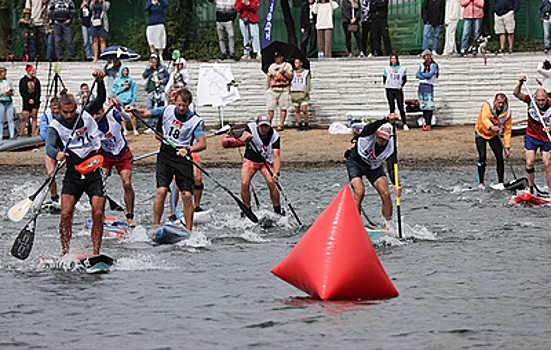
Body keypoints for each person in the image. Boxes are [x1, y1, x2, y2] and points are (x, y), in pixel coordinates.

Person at [45, 70, 106, 256]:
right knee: (65, 214)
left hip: (94, 171)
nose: (70, 115)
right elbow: (49, 148)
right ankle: (65, 252)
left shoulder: (85, 113)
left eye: (72, 111)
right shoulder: (55, 126)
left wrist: (100, 81)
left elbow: (101, 98)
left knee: (97, 214)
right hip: (73, 173)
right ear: (59, 110)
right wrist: (58, 154)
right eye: (66, 112)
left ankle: (96, 253)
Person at [125, 88, 206, 230]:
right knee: (161, 191)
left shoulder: (194, 120)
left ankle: (189, 229)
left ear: (189, 105)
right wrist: (134, 110)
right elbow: (146, 113)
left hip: (183, 157)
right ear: (175, 102)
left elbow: (202, 143)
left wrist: (188, 149)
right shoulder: (167, 110)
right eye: (179, 104)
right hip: (165, 155)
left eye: (184, 106)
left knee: (187, 195)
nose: (181, 108)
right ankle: (156, 226)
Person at [345, 113, 401, 222]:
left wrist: (396, 185)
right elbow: (369, 127)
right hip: (356, 163)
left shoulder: (391, 146)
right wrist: (386, 119)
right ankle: (354, 222)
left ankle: (388, 224)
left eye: (384, 139)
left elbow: (391, 166)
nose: (381, 141)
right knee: (359, 191)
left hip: (374, 167)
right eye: (379, 138)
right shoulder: (368, 134)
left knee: (386, 194)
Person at [94, 98, 137, 226]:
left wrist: (119, 108)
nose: (96, 117)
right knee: (100, 182)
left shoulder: (112, 114)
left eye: (98, 113)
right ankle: (101, 215)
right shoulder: (91, 123)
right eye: (94, 114)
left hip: (122, 152)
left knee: (127, 183)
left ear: (103, 111)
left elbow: (127, 118)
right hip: (105, 155)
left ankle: (130, 217)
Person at [513, 76, 551, 195]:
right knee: (530, 162)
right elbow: (516, 93)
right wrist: (519, 83)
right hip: (532, 136)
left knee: (547, 163)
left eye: (542, 100)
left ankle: (550, 191)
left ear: (546, 99)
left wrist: (550, 128)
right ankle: (530, 188)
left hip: (545, 138)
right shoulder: (531, 100)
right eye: (538, 100)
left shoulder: (550, 106)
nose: (540, 103)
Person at [239, 113, 282, 215]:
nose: (264, 129)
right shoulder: (250, 128)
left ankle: (277, 210)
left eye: (266, 126)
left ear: (270, 125)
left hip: (265, 162)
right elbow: (242, 138)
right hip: (250, 161)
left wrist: (276, 172)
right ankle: (247, 210)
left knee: (271, 182)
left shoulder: (275, 136)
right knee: (245, 183)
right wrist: (246, 137)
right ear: (257, 124)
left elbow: (276, 156)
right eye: (262, 126)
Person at [474, 93, 512, 188]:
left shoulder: (507, 112)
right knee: (482, 156)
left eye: (502, 103)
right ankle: (481, 182)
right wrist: (491, 126)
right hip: (481, 132)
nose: (500, 105)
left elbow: (507, 130)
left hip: (494, 135)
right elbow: (484, 119)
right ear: (495, 101)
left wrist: (507, 147)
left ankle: (500, 182)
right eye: (499, 103)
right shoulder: (487, 106)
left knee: (500, 156)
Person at [38, 96, 61, 202]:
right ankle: (54, 197)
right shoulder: (46, 116)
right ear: (50, 107)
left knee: (73, 172)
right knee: (50, 173)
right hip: (51, 146)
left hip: (64, 147)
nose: (56, 112)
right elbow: (43, 132)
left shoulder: (66, 114)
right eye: (53, 109)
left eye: (57, 109)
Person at [266, 51, 293, 131]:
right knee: (270, 108)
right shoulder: (272, 66)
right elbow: (269, 76)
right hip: (273, 89)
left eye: (278, 57)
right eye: (275, 57)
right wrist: (267, 87)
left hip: (284, 89)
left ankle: (281, 124)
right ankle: (269, 124)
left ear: (282, 57)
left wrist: (283, 72)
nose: (276, 59)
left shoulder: (287, 65)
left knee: (283, 108)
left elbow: (291, 76)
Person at [142, 52, 170, 130]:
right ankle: (151, 126)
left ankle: (159, 125)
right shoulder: (149, 68)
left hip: (160, 90)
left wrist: (161, 81)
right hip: (151, 90)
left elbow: (168, 78)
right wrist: (149, 69)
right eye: (152, 59)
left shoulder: (163, 68)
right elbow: (144, 76)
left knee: (160, 107)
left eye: (155, 59)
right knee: (149, 107)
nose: (153, 61)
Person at [416, 49, 438, 130]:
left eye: (425, 56)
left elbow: (430, 75)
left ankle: (428, 123)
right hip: (422, 85)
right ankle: (425, 123)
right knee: (423, 105)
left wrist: (422, 74)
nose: (424, 58)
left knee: (429, 105)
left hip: (428, 85)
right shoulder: (422, 65)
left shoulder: (433, 65)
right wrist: (423, 75)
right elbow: (417, 75)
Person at [383, 54, 407, 130]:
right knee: (392, 107)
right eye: (392, 59)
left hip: (398, 89)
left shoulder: (402, 68)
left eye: (394, 59)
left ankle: (404, 123)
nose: (393, 60)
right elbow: (384, 78)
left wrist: (401, 85)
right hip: (390, 89)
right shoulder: (387, 68)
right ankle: (393, 124)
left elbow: (404, 79)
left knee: (401, 107)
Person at [113, 65, 138, 135]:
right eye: (124, 70)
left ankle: (135, 129)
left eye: (126, 70)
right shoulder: (117, 80)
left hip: (129, 100)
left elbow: (134, 90)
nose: (125, 72)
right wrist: (123, 88)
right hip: (120, 100)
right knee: (122, 115)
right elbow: (115, 90)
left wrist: (134, 99)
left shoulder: (130, 80)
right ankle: (125, 129)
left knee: (132, 115)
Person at [19, 65, 41, 137]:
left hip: (35, 102)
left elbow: (38, 92)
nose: (34, 72)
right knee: (24, 118)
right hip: (26, 102)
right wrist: (28, 99)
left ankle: (33, 133)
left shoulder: (36, 80)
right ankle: (21, 133)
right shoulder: (23, 80)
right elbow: (22, 92)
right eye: (32, 71)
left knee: (34, 117)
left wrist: (34, 100)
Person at [290, 58, 311, 131]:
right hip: (295, 93)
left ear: (301, 63)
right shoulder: (293, 72)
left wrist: (306, 92)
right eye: (295, 63)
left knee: (304, 110)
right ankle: (299, 124)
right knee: (297, 110)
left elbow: (308, 83)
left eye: (297, 62)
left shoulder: (306, 72)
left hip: (302, 93)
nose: (295, 64)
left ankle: (306, 124)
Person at [0, 67, 15, 140]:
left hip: (9, 101)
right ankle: (0, 136)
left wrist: (10, 92)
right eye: (3, 72)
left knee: (10, 119)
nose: (5, 74)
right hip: (1, 102)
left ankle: (12, 135)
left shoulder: (8, 80)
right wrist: (3, 92)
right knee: (1, 120)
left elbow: (13, 90)